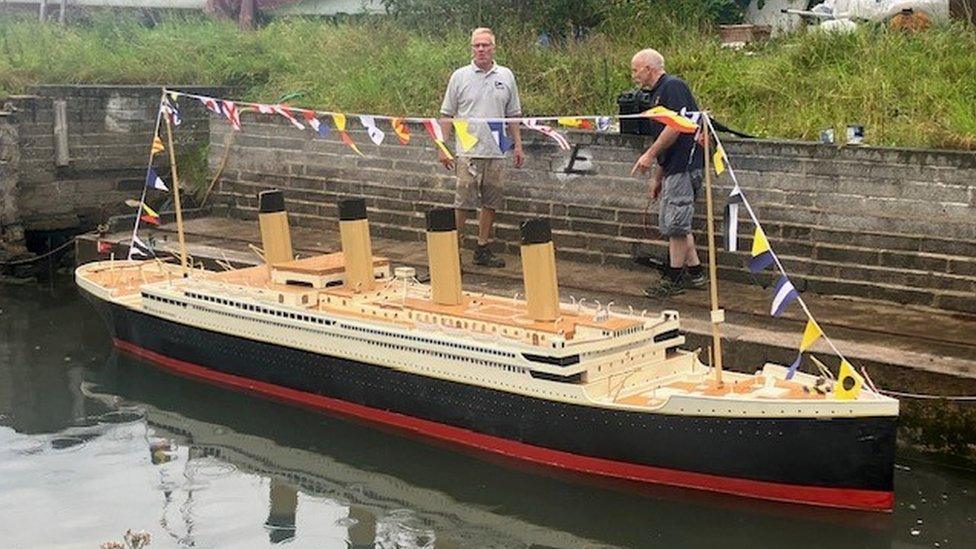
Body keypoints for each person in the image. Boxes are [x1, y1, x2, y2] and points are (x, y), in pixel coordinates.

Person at [439, 27, 524, 268]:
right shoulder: (460, 76)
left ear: (493, 47)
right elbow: (446, 114)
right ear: (471, 48)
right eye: (476, 45)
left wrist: (517, 145)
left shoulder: (506, 76)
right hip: (468, 151)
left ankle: (482, 247)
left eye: (485, 45)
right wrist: (442, 146)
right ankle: (453, 249)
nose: (481, 49)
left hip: (496, 150)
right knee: (463, 201)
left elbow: (513, 114)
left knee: (491, 201)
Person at [629, 48, 706, 297]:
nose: (634, 76)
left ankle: (674, 279)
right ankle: (696, 273)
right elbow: (664, 137)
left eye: (635, 70)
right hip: (673, 166)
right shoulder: (656, 96)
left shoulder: (673, 87)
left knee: (676, 224)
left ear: (649, 68)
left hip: (685, 165)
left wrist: (649, 155)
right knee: (677, 221)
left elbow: (676, 128)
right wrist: (657, 176)